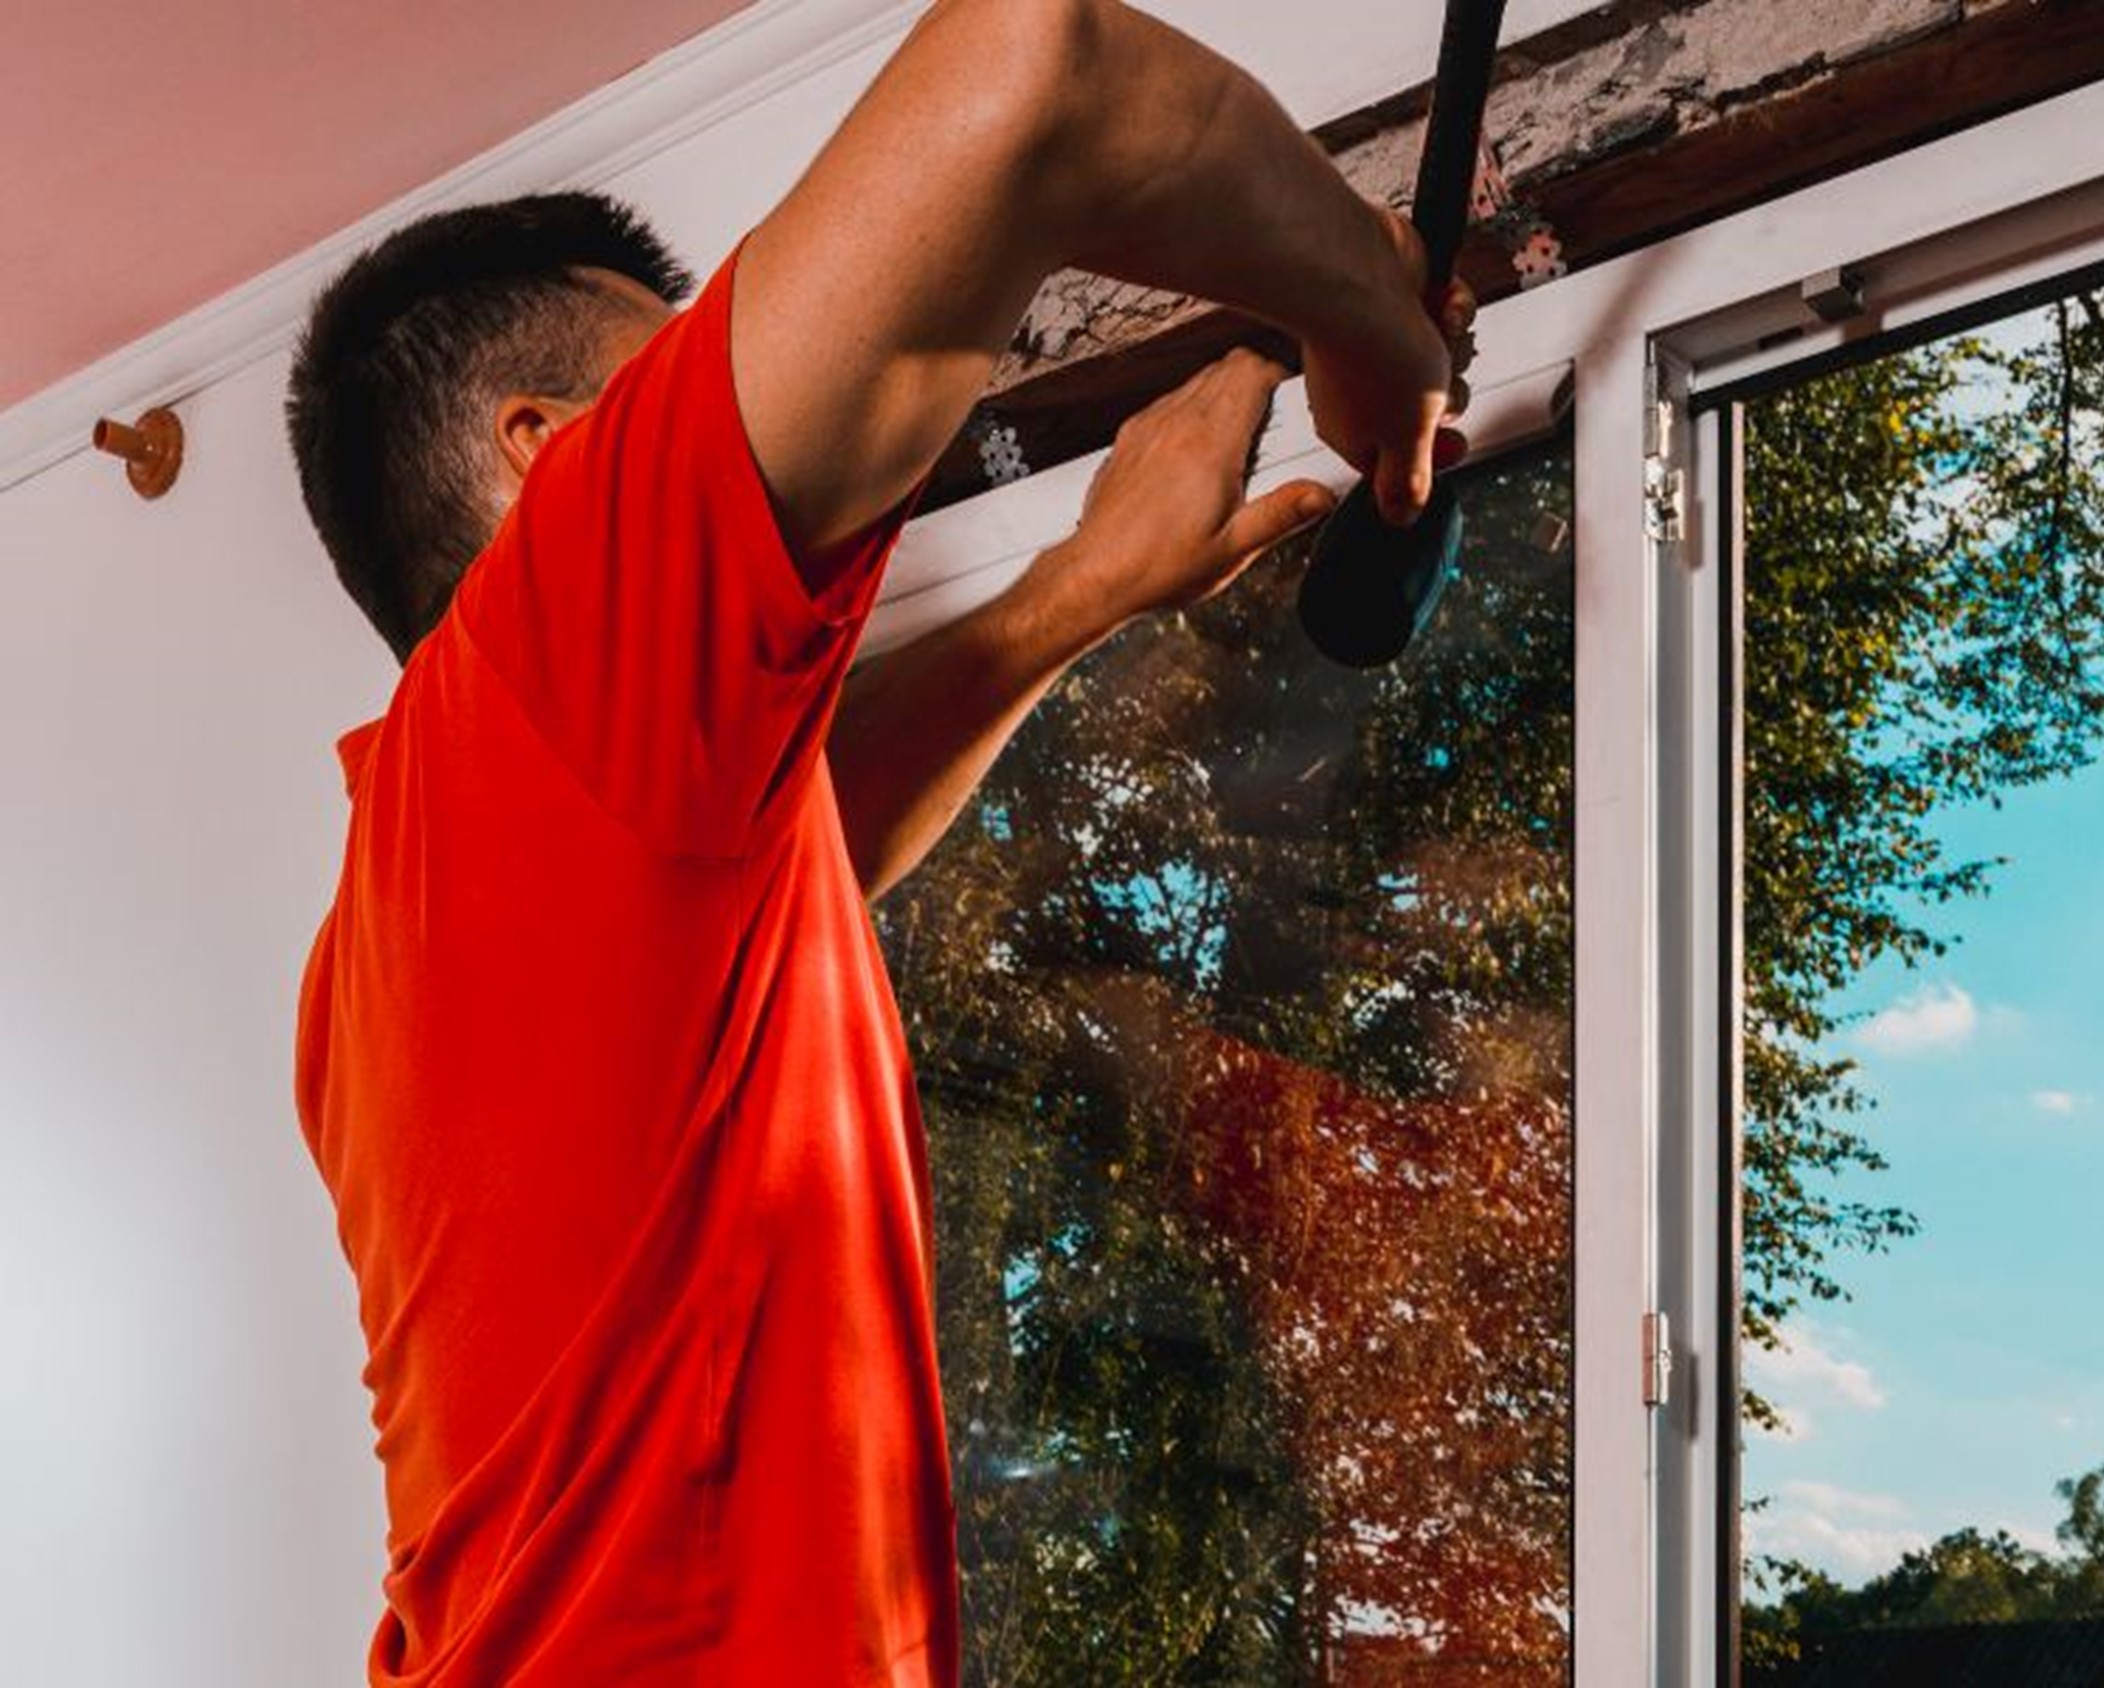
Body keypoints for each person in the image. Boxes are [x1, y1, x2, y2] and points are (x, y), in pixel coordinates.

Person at [281, 0, 1469, 1681]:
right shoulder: (551, 665)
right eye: (667, 392)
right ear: (552, 467)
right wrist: (1371, 322)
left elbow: (799, 850)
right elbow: (1038, 65)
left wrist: (1084, 588)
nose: (745, 417)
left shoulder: (391, 936)